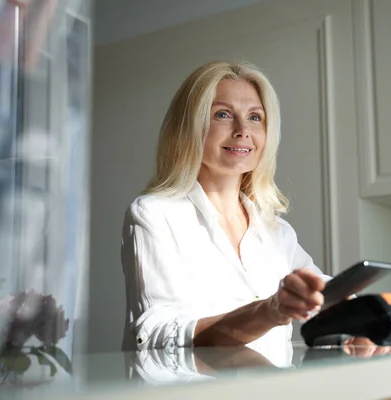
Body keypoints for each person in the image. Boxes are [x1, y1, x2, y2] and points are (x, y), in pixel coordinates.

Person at [121, 60, 332, 353]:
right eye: (223, 114)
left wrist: (363, 326)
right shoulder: (154, 214)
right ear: (189, 128)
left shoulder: (277, 232)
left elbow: (327, 298)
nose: (243, 130)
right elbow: (159, 334)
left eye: (255, 117)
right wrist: (270, 311)